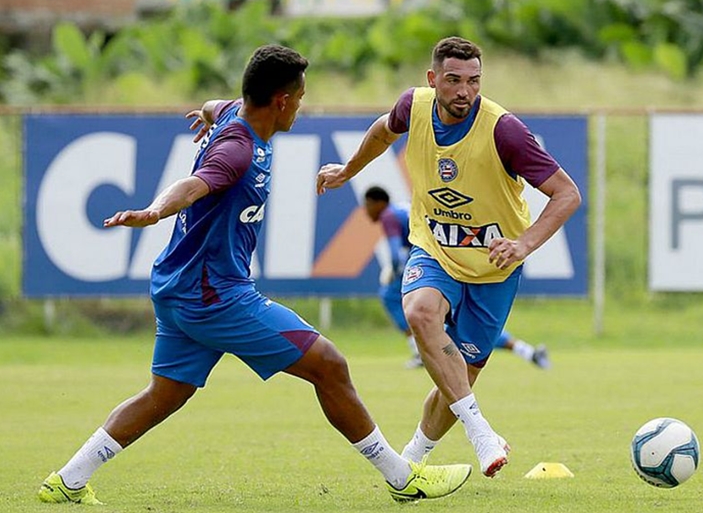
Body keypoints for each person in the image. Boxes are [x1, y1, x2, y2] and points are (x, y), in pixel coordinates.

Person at [37, 44, 471, 506]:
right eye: (300, 99)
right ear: (281, 101)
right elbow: (193, 186)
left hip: (179, 287)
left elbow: (211, 105)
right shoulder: (238, 150)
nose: (301, 108)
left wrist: (206, 116)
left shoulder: (229, 113)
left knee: (164, 394)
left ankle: (67, 480)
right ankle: (404, 478)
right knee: (330, 366)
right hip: (214, 295)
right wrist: (154, 210)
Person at [318, 36, 581, 478]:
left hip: (493, 270)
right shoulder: (413, 107)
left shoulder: (505, 130)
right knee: (420, 313)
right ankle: (481, 433)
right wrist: (348, 171)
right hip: (434, 248)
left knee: (459, 378)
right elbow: (383, 130)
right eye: (454, 80)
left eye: (474, 81)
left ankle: (414, 456)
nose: (465, 91)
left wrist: (523, 244)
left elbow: (566, 194)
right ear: (433, 79)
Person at [363, 185, 550, 370]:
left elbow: (397, 255)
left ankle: (420, 351)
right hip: (456, 252)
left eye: (367, 205)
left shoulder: (388, 216)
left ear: (377, 203)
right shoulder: (401, 209)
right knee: (469, 324)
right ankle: (527, 351)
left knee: (392, 297)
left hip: (437, 257)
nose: (366, 211)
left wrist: (395, 270)